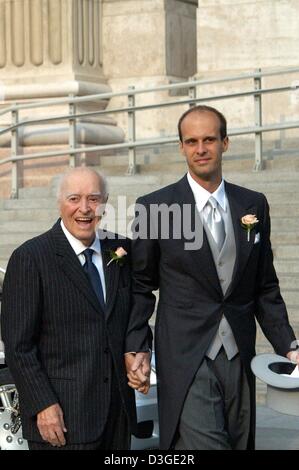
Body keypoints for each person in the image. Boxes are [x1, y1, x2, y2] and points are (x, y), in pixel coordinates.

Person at [125, 105, 299, 450]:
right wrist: (136, 345)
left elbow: (265, 286)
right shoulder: (155, 208)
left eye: (208, 139)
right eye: (191, 141)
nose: (200, 148)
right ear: (181, 147)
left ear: (225, 143)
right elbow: (141, 286)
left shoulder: (253, 205)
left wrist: (289, 347)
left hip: (240, 357)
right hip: (186, 358)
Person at [1, 167, 137, 450]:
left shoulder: (121, 250)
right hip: (61, 421)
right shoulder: (30, 258)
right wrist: (43, 405)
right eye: (74, 198)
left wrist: (139, 349)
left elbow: (134, 314)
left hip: (117, 416)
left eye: (94, 199)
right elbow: (18, 346)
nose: (85, 209)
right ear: (60, 202)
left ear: (106, 202)